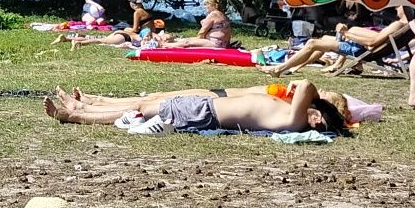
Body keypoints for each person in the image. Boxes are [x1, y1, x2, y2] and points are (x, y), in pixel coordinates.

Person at [42, 80, 347, 136]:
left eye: (318, 113)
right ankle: (79, 109)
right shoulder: (293, 113)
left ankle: (73, 115)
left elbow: (306, 85)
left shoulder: (295, 121)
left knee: (138, 111)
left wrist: (318, 102)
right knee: (141, 106)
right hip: (206, 106)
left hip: (205, 114)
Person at [269, 12, 414, 74]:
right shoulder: (404, 26)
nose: (397, 8)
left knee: (313, 42)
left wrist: (347, 34)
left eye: (400, 6)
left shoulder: (397, 25)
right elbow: (376, 39)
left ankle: (280, 68)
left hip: (359, 50)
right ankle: (295, 66)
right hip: (360, 47)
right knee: (324, 39)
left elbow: (372, 42)